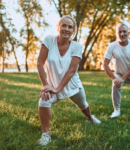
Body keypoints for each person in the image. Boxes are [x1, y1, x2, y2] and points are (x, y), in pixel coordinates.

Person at [37, 15, 101, 146]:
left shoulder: (76, 46)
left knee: (83, 104)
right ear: (58, 27)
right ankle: (46, 135)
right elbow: (39, 63)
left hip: (72, 85)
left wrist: (57, 89)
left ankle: (90, 118)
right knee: (43, 101)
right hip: (52, 85)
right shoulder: (49, 40)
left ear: (73, 31)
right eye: (64, 25)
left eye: (70, 27)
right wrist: (46, 86)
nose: (66, 29)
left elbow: (72, 71)